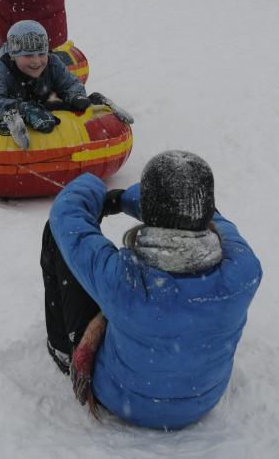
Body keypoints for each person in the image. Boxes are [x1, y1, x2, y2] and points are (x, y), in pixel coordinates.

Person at [42, 150, 262, 429]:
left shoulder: (125, 280)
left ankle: (63, 347)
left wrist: (98, 186)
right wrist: (131, 201)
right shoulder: (243, 270)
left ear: (151, 205)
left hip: (121, 398)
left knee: (58, 235)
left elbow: (67, 217)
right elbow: (220, 223)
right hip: (201, 401)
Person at [0, 21, 91, 149]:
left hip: (28, 97)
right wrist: (25, 109)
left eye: (41, 53)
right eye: (28, 55)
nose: (36, 61)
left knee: (56, 104)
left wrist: (75, 95)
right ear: (13, 55)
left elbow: (70, 83)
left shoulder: (52, 63)